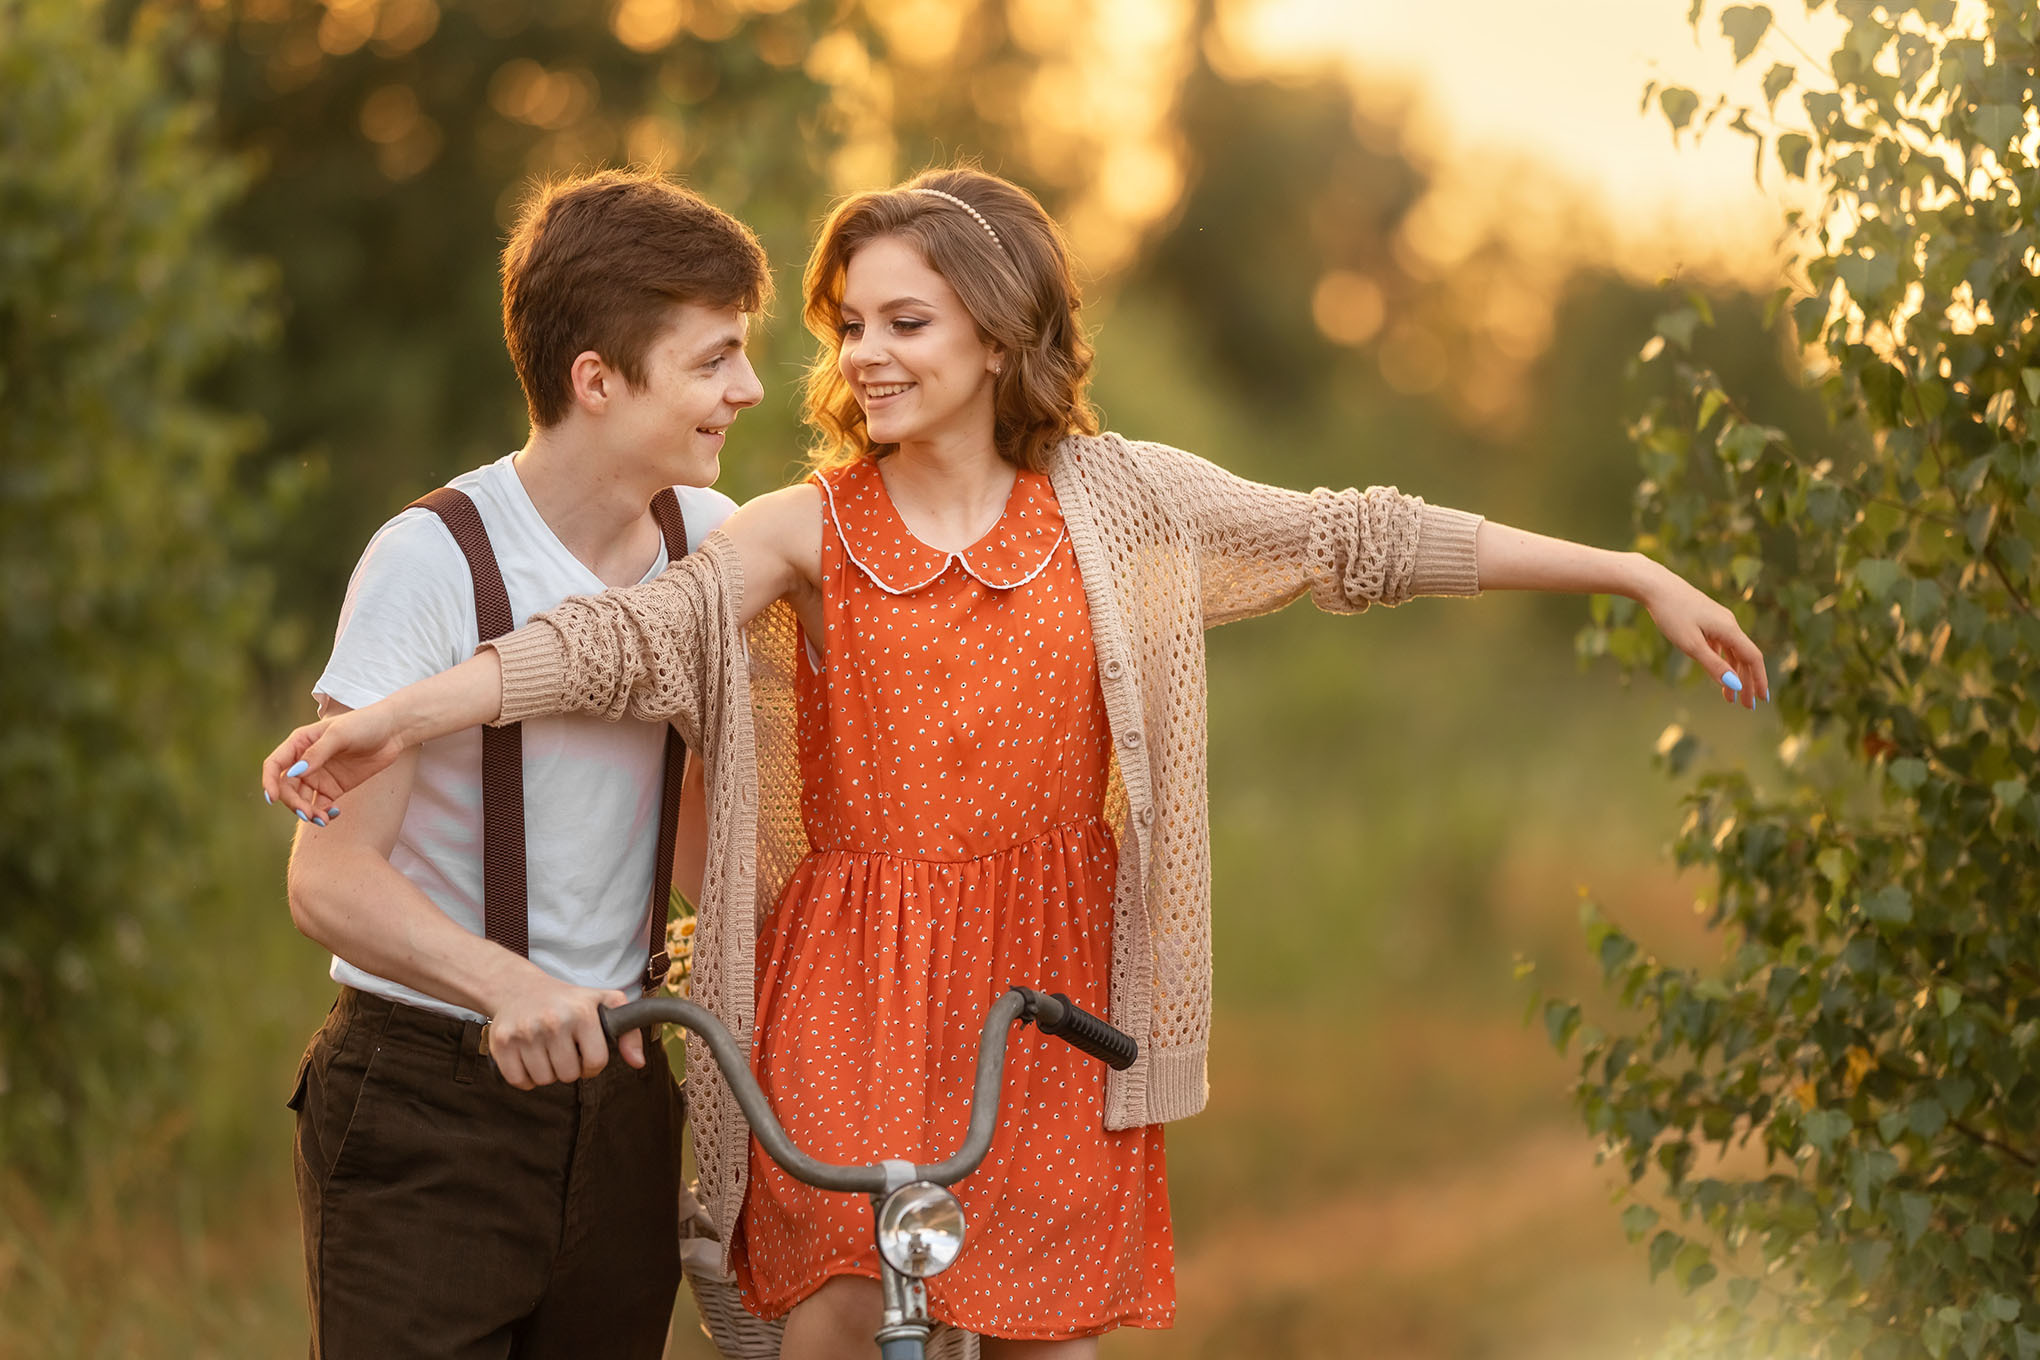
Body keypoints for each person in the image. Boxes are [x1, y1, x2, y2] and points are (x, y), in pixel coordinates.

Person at [264, 166, 1769, 1359]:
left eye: (903, 323)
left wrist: (1627, 569)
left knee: (1046, 1341)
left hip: (1048, 993)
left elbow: (1352, 533)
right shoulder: (796, 526)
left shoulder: (1124, 505)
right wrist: (414, 711)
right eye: (848, 323)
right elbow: (616, 644)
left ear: (998, 332)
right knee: (842, 1314)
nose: (861, 353)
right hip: (848, 984)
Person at [276, 167, 767, 1359]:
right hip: (425, 1100)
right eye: (713, 361)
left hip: (622, 1100)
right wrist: (509, 986)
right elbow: (327, 880)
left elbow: (708, 829)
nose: (748, 390)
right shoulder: (433, 559)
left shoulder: (710, 543)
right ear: (597, 380)